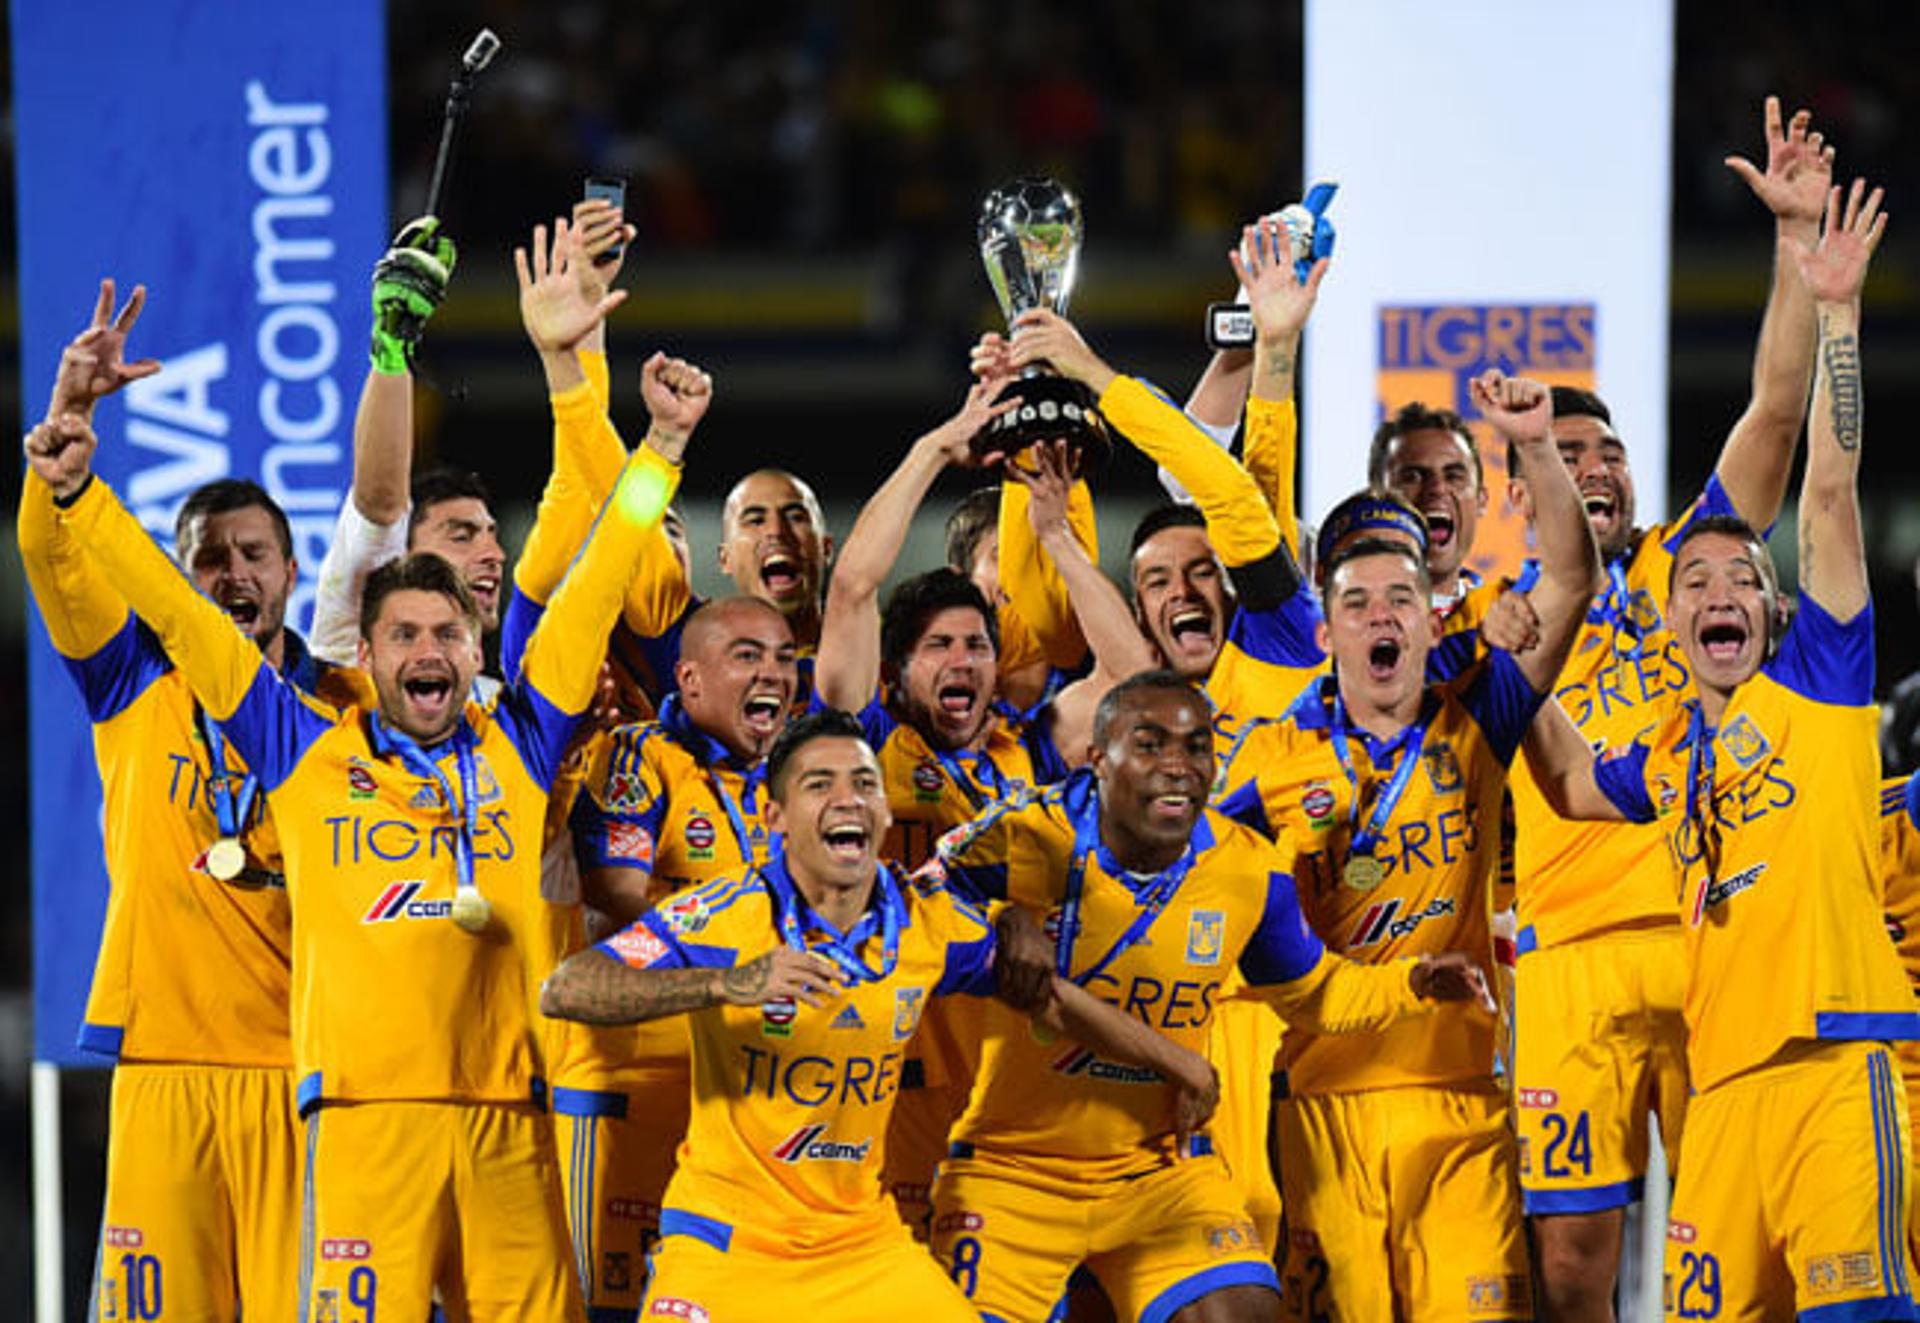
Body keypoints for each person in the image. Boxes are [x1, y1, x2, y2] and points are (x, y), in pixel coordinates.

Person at [24, 238, 674, 1318]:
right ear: (369, 648)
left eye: (447, 630)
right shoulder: (275, 731)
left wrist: (656, 442)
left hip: (413, 1082)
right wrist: (78, 494)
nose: (233, 577)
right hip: (260, 1075)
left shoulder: (436, 720)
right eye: (212, 558)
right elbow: (164, 606)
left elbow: (595, 572)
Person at [1528, 177, 1918, 1320]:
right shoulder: (1670, 758)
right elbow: (1561, 774)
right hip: (1726, 1092)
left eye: (1739, 573)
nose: (1713, 587)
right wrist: (1495, 674)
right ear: (1665, 619)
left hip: (1837, 1066)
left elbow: (1829, 491)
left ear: (1778, 607)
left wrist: (1834, 304)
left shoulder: (1826, 684)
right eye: (1691, 578)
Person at [1491, 97, 1837, 1319]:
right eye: (1565, 456)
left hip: (1709, 951)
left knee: (1745, 1249)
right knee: (1573, 1271)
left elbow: (1778, 414)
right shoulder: (1495, 614)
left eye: (1609, 453)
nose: (1593, 470)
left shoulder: (1692, 563)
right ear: (1521, 487)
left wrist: (1796, 246)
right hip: (1568, 966)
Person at [539, 709, 1219, 1323]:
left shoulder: (929, 925)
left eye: (864, 783)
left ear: (886, 813)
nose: (848, 800)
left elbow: (1050, 999)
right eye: (819, 784)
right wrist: (726, 982)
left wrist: (1180, 1061)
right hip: (728, 1240)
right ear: (773, 817)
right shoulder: (724, 915)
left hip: (861, 1242)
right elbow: (568, 987)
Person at [1212, 366, 1599, 1321]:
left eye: (1401, 597)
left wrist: (1539, 446)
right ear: (1327, 625)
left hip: (1459, 1099)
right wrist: (1272, 849)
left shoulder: (1480, 710)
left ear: (1433, 617)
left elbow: (1574, 579)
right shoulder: (1272, 753)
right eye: (1357, 601)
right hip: (1318, 1111)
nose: (1382, 615)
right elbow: (1205, 898)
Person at [929, 673, 1495, 1322]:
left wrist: (1412, 981)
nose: (1177, 766)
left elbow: (1313, 992)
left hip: (1159, 1174)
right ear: (1097, 759)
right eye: (1149, 743)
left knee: (1246, 1312)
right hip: (1013, 1171)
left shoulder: (1247, 869)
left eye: (1197, 746)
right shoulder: (1022, 838)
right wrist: (998, 920)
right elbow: (912, 917)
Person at [18, 282, 364, 1322]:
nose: (230, 574)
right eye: (207, 558)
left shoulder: (341, 711)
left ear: (293, 572)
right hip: (163, 1061)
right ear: (174, 573)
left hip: (306, 1071)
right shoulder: (131, 679)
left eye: (253, 554)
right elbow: (47, 552)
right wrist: (68, 425)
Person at [816, 384, 1156, 1233]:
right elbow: (855, 587)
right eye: (938, 645)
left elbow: (1139, 683)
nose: (962, 659)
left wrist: (1057, 543)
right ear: (897, 671)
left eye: (975, 643)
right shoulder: (864, 743)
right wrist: (939, 446)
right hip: (896, 1089)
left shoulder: (1032, 745)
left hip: (1019, 1092)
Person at [551, 595, 799, 1315]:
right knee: (610, 1308)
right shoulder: (638, 757)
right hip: (631, 1086)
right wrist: (746, 950)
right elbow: (617, 892)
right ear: (689, 680)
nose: (774, 674)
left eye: (784, 657)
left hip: (741, 1099)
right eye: (747, 655)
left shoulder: (791, 776)